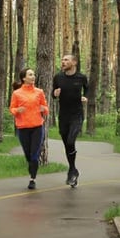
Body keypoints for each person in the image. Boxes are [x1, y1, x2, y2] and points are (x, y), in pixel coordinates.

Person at [52, 54, 88, 187]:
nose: (63, 62)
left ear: (74, 62)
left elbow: (87, 89)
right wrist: (54, 94)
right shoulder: (58, 77)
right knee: (67, 145)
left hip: (76, 115)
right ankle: (73, 170)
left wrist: (85, 97)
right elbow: (53, 92)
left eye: (66, 60)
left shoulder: (81, 77)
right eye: (62, 60)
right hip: (63, 116)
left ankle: (72, 172)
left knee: (71, 141)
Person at [10, 68, 49, 189]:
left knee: (34, 154)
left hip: (37, 127)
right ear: (24, 78)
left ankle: (32, 179)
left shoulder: (39, 92)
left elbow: (46, 107)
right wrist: (17, 110)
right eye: (30, 75)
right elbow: (12, 109)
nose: (33, 77)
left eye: (34, 75)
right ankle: (31, 169)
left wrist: (44, 109)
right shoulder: (17, 93)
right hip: (23, 128)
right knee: (28, 155)